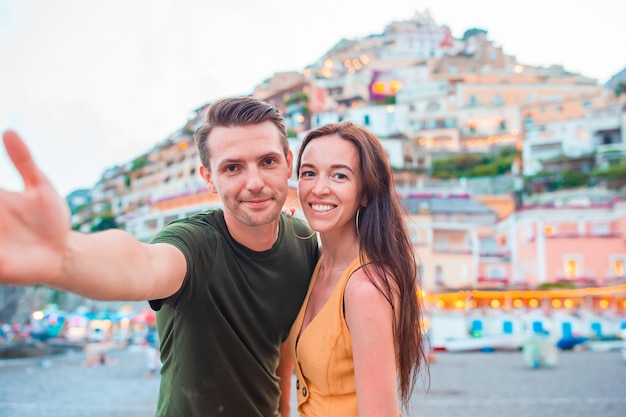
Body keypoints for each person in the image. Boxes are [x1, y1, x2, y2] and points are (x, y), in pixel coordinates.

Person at [0, 97, 319, 417]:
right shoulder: (194, 244)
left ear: (287, 163)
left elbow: (282, 341)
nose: (255, 183)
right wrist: (64, 255)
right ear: (208, 178)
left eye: (268, 162)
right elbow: (143, 264)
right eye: (232, 167)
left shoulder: (303, 243)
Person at [289, 122, 429, 416]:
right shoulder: (317, 264)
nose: (319, 188)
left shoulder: (365, 288)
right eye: (309, 173)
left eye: (339, 175)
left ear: (364, 193)